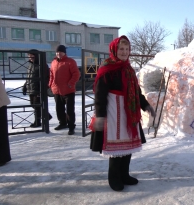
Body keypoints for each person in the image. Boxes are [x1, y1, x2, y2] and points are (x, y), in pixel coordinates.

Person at [90, 35, 156, 191]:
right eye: (121, 49)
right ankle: (114, 177)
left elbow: (136, 92)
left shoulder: (129, 70)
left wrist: (145, 105)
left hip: (129, 113)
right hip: (113, 112)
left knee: (128, 146)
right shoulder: (106, 68)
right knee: (116, 148)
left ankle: (124, 174)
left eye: (127, 49)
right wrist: (100, 116)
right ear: (114, 49)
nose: (124, 52)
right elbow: (99, 94)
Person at [49, 45, 80, 135]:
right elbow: (51, 75)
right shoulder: (53, 62)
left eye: (60, 52)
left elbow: (76, 74)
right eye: (57, 52)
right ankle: (62, 123)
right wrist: (50, 85)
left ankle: (71, 127)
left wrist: (70, 84)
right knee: (59, 109)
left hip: (68, 90)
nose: (59, 53)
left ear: (64, 52)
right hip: (57, 90)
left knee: (70, 110)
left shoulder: (70, 62)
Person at [22, 49, 52, 127]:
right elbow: (29, 77)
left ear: (36, 56)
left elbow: (46, 78)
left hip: (38, 89)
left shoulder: (42, 65)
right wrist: (25, 86)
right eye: (29, 56)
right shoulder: (30, 65)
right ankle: (47, 116)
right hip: (31, 88)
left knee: (37, 106)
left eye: (32, 55)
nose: (30, 57)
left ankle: (37, 121)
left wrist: (43, 89)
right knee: (33, 105)